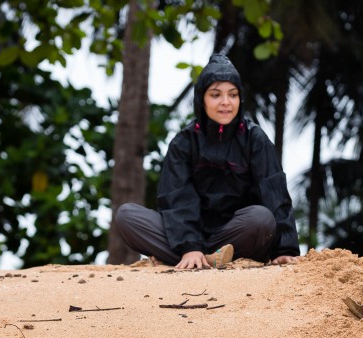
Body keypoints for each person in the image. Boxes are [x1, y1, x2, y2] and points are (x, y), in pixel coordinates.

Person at [114, 54, 300, 269]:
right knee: (127, 216)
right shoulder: (184, 142)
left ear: (240, 99)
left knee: (261, 218)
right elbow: (176, 198)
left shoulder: (255, 139)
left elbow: (275, 193)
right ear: (202, 99)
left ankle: (194, 259)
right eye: (216, 95)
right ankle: (199, 258)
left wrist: (285, 250)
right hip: (186, 237)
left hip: (237, 234)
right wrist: (190, 245)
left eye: (233, 95)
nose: (225, 102)